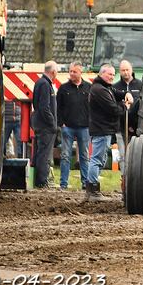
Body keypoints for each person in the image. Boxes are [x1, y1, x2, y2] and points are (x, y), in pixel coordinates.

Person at [87, 63, 133, 202]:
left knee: (100, 160)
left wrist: (126, 93)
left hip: (104, 130)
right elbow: (113, 109)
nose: (112, 77)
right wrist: (125, 106)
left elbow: (115, 92)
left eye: (113, 74)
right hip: (101, 130)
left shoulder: (104, 88)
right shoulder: (99, 90)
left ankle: (91, 191)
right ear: (101, 74)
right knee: (96, 160)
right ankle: (93, 191)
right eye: (109, 74)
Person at [56, 61, 91, 190]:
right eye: (70, 71)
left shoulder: (89, 88)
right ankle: (63, 184)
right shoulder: (63, 88)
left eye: (74, 71)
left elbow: (93, 107)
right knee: (65, 156)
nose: (72, 74)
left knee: (85, 156)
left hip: (84, 127)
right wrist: (62, 124)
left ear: (81, 72)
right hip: (68, 128)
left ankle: (85, 184)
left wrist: (90, 123)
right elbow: (58, 107)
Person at [31, 60, 58, 188]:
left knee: (39, 151)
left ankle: (37, 180)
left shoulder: (40, 82)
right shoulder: (45, 85)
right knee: (45, 154)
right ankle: (42, 182)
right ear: (53, 71)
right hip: (45, 125)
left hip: (39, 123)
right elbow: (44, 107)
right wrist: (52, 123)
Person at [113, 60, 143, 171]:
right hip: (121, 126)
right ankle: (124, 177)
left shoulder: (140, 85)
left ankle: (135, 175)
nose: (126, 72)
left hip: (137, 127)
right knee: (123, 155)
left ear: (131, 70)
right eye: (123, 70)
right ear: (119, 71)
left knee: (135, 155)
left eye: (127, 70)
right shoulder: (116, 87)